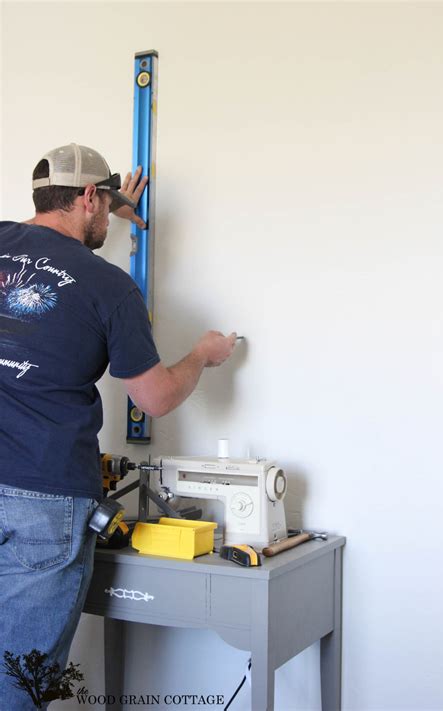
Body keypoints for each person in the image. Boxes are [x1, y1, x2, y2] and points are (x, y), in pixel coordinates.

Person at [0, 143, 236, 708]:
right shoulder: (110, 289)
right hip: (45, 499)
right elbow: (153, 398)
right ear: (86, 197)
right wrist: (202, 355)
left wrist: (113, 209)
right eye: (103, 202)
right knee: (16, 684)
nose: (108, 215)